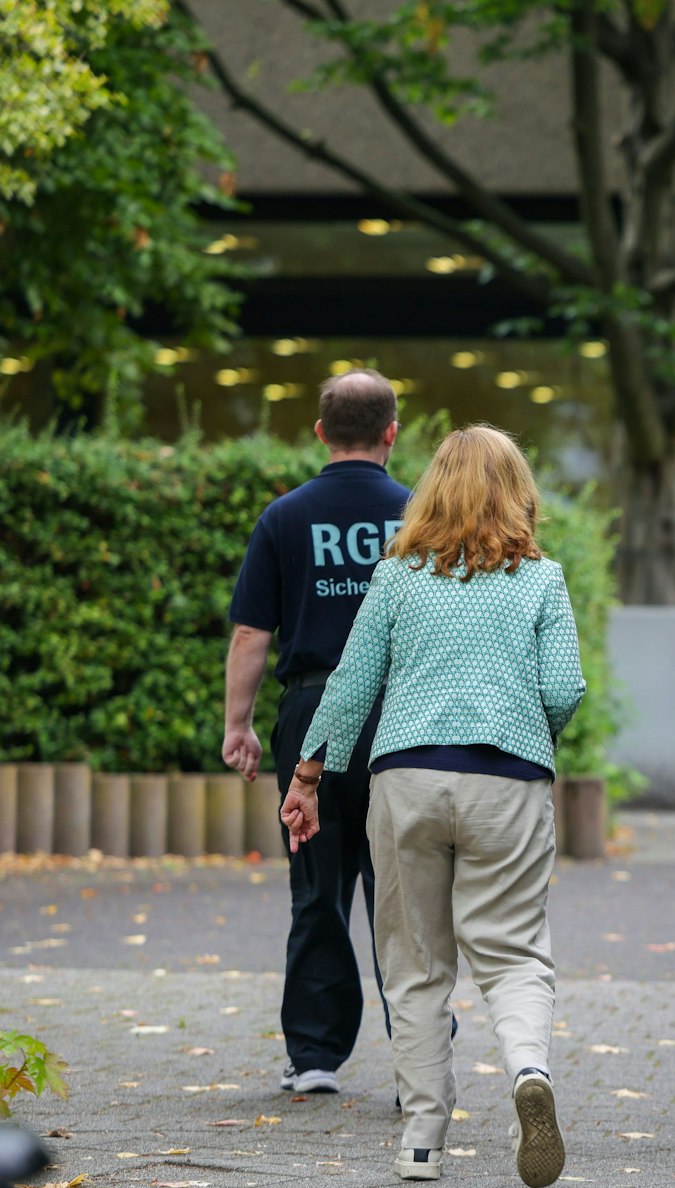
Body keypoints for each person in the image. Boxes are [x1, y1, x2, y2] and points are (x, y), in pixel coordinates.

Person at [279, 425, 586, 1188]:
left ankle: (421, 1140)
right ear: (518, 491)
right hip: (507, 780)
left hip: (407, 779)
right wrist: (526, 731)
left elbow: (350, 684)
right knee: (513, 950)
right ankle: (526, 1071)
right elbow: (564, 689)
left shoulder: (398, 575)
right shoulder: (541, 578)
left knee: (414, 965)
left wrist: (308, 776)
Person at [224, 368, 409, 1097]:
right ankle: (417, 1061)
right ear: (392, 432)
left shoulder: (284, 516)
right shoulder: (421, 514)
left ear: (320, 432)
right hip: (404, 716)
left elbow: (250, 634)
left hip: (312, 718)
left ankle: (315, 1055)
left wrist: (239, 725)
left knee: (316, 884)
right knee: (405, 891)